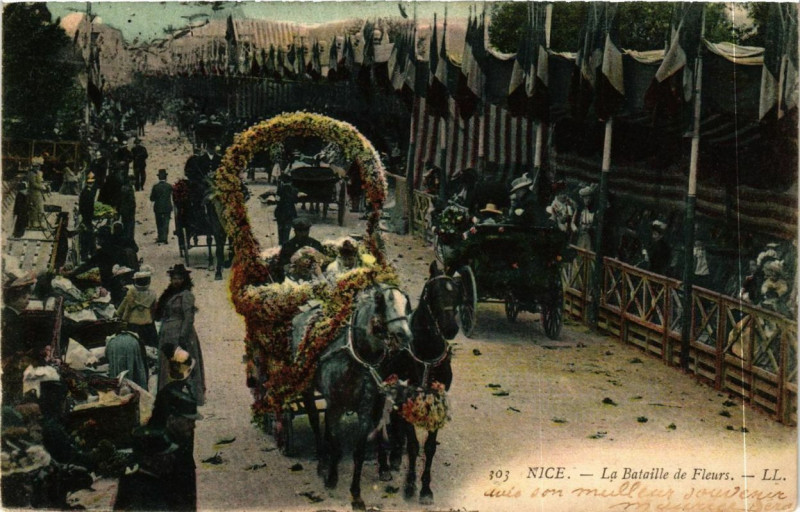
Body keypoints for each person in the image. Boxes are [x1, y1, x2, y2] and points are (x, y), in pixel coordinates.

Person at [155, 264, 206, 406]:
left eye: (179, 278)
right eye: (174, 279)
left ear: (185, 280)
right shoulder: (168, 295)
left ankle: (193, 394)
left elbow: (189, 318)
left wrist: (182, 336)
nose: (176, 281)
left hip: (181, 334)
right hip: (167, 334)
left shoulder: (187, 295)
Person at [113, 427, 179, 511]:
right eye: (165, 455)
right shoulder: (148, 490)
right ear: (148, 459)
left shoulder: (129, 480)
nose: (172, 458)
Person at [2, 269, 37, 405]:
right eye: (23, 298)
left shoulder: (10, 315)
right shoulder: (13, 320)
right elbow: (16, 347)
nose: (27, 300)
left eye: (28, 297)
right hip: (11, 364)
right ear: (12, 300)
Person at [116, 265, 158, 352]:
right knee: (150, 347)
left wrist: (119, 316)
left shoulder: (131, 293)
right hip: (148, 325)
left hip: (133, 325)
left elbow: (122, 309)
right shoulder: (152, 294)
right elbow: (155, 310)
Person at [150, 169, 173, 245]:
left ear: (158, 177)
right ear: (166, 177)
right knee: (166, 222)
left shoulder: (155, 187)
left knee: (159, 223)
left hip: (158, 207)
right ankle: (165, 238)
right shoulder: (169, 186)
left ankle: (160, 237)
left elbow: (152, 198)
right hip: (167, 207)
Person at [78, 173, 97, 261]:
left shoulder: (85, 191)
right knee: (89, 234)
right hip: (87, 216)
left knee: (89, 234)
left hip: (86, 216)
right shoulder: (87, 192)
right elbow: (87, 206)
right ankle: (89, 253)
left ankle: (89, 252)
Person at [274, 174, 298, 245]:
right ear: (291, 182)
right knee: (286, 232)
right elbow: (295, 201)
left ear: (282, 182)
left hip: (280, 212)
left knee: (280, 231)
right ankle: (285, 246)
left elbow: (277, 200)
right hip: (290, 213)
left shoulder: (280, 189)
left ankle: (280, 245)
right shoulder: (294, 190)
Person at [573, 186, 596, 250]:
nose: (587, 200)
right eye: (585, 198)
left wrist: (591, 228)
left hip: (590, 235)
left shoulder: (594, 211)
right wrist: (575, 229)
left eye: (589, 198)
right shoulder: (579, 210)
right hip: (580, 234)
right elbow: (573, 222)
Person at [27, 163, 48, 229]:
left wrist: (44, 184)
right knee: (35, 208)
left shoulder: (38, 173)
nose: (37, 168)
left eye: (38, 166)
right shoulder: (31, 174)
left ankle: (39, 223)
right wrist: (42, 187)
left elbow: (40, 181)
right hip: (33, 193)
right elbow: (33, 184)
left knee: (40, 208)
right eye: (36, 166)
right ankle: (34, 223)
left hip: (38, 193)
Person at [119, 178, 136, 242]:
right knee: (130, 226)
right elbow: (131, 201)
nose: (134, 181)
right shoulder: (129, 189)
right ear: (130, 181)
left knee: (125, 225)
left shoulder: (123, 188)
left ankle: (126, 238)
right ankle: (130, 240)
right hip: (129, 211)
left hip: (123, 210)